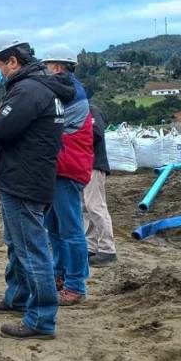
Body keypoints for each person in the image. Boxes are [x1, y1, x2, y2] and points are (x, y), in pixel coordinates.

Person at [0, 31, 75, 340]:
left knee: (32, 249)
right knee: (17, 244)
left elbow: (0, 129)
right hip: (24, 176)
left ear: (12, 60)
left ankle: (41, 318)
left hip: (24, 180)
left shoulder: (28, 91)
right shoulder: (37, 88)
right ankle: (18, 296)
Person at [42, 45, 95, 306]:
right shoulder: (66, 91)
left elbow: (49, 126)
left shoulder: (72, 94)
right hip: (57, 168)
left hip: (67, 168)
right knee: (53, 227)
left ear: (59, 67)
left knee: (72, 230)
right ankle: (59, 275)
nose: (45, 71)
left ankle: (75, 285)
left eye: (47, 66)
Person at [83, 90, 117, 265]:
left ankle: (107, 249)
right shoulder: (79, 111)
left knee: (95, 206)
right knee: (85, 208)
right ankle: (91, 247)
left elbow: (95, 133)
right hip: (82, 166)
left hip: (94, 165)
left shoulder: (90, 110)